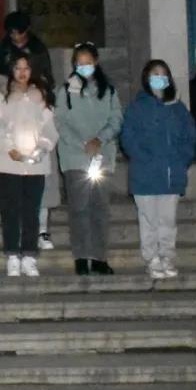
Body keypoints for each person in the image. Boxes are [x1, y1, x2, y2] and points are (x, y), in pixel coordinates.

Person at [120, 60, 196, 279]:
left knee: (168, 221)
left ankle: (167, 257)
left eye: (163, 74)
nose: (159, 78)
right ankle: (152, 258)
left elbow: (190, 137)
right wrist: (143, 157)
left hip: (171, 174)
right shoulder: (137, 107)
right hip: (145, 175)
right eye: (155, 74)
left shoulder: (177, 108)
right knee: (149, 220)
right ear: (147, 77)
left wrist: (182, 160)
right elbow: (128, 138)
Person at [55, 42, 123, 276]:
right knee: (79, 209)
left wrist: (99, 140)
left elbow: (116, 119)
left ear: (96, 62)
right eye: (79, 63)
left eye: (88, 62)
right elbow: (60, 122)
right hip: (75, 158)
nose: (84, 67)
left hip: (102, 157)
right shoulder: (66, 91)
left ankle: (99, 257)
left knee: (100, 209)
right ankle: (82, 257)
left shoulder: (109, 91)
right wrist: (82, 145)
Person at [0, 56, 58, 278]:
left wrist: (41, 148)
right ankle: (12, 256)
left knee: (31, 211)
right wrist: (9, 147)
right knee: (10, 211)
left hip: (35, 165)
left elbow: (50, 127)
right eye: (17, 68)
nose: (22, 72)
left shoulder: (41, 96)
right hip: (8, 163)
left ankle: (29, 255)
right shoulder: (2, 96)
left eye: (26, 68)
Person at [0, 11, 54, 90]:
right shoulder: (2, 48)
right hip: (7, 91)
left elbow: (48, 78)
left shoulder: (38, 48)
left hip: (33, 91)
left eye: (19, 33)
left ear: (27, 29)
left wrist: (37, 84)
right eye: (12, 33)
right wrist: (0, 79)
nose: (16, 36)